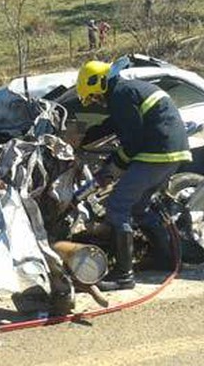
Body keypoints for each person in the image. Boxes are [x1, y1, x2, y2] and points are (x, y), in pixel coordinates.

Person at [76, 60, 192, 291]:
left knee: (118, 206)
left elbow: (133, 142)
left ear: (99, 83)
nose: (96, 103)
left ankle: (124, 276)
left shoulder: (120, 94)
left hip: (156, 154)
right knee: (139, 207)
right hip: (172, 153)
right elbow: (116, 124)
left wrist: (112, 169)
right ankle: (165, 257)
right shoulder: (126, 90)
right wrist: (88, 136)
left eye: (94, 97)